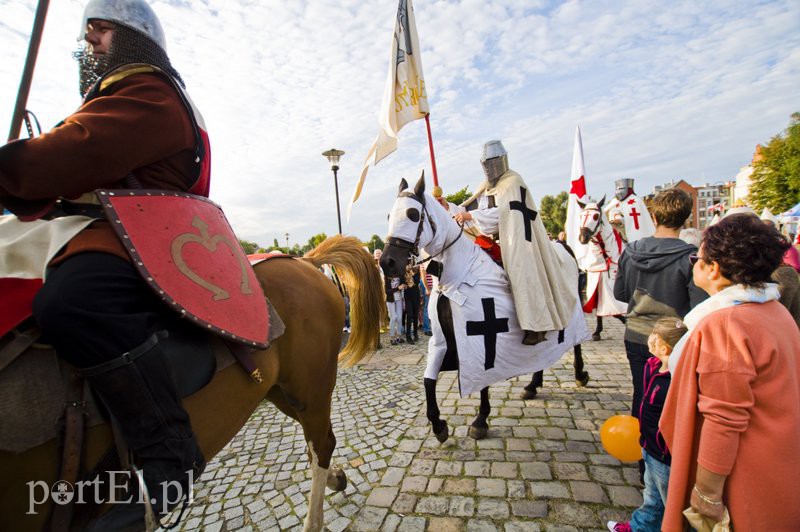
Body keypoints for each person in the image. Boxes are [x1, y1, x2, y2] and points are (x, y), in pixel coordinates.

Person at [0, 0, 208, 527]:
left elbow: (77, 151)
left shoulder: (151, 92)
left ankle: (167, 449)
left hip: (135, 232)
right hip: (80, 223)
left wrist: (13, 162)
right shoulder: (114, 94)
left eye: (100, 30)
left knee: (73, 301)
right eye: (86, 32)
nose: (87, 41)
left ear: (135, 38)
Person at [659, 214, 800, 531]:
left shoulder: (726, 324)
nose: (694, 263)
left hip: (744, 471)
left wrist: (707, 493)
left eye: (698, 257)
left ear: (713, 268)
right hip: (778, 460)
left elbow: (723, 418)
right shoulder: (774, 310)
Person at [453, 140, 576, 345]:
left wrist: (470, 216)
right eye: (486, 163)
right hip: (493, 240)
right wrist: (454, 211)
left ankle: (536, 325)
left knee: (524, 271)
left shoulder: (513, 182)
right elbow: (473, 209)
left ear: (501, 160)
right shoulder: (485, 187)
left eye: (492, 162)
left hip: (519, 241)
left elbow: (505, 212)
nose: (489, 167)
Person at [614, 188, 706, 421]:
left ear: (654, 217)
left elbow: (620, 292)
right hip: (673, 339)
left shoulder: (630, 251)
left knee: (641, 392)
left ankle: (642, 449)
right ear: (685, 220)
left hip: (636, 334)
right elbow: (699, 307)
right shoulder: (690, 258)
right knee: (671, 397)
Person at [607, 317, 687, 532]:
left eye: (654, 335)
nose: (648, 338)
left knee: (671, 503)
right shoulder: (652, 366)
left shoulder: (676, 380)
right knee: (652, 498)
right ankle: (638, 528)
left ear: (664, 347)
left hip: (665, 454)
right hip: (649, 446)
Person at [403, 263, 421, 343]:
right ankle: (408, 335)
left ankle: (415, 334)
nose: (409, 266)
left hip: (416, 296)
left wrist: (412, 273)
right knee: (409, 315)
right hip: (408, 297)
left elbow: (416, 282)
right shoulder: (403, 274)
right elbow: (405, 284)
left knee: (415, 315)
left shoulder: (417, 273)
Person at [385, 274, 404, 345]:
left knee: (399, 318)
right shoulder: (387, 277)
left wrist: (404, 286)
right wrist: (398, 288)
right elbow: (387, 291)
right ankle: (392, 338)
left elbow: (403, 285)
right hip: (390, 300)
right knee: (393, 318)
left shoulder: (400, 276)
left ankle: (399, 336)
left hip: (399, 299)